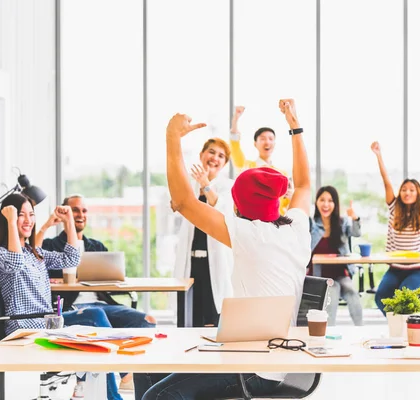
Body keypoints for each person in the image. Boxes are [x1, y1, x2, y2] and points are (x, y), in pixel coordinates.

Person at [134, 98, 312, 400]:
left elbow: (183, 200)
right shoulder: (296, 227)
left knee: (158, 396)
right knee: (146, 369)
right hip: (255, 354)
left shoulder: (247, 234)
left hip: (254, 371)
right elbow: (305, 185)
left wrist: (172, 137)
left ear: (239, 207)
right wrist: (295, 127)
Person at [0, 193, 124, 400]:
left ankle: (102, 390)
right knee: (94, 319)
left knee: (96, 316)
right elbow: (15, 263)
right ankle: (111, 394)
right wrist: (9, 219)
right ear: (8, 218)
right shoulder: (0, 254)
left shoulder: (33, 253)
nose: (28, 220)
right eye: (21, 215)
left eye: (31, 215)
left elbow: (72, 257)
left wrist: (69, 221)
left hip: (45, 323)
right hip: (23, 327)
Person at [40, 194, 156, 393]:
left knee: (147, 320)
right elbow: (37, 269)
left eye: (84, 210)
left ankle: (141, 384)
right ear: (64, 213)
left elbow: (112, 281)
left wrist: (113, 277)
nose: (80, 214)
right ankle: (116, 376)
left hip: (102, 304)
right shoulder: (50, 246)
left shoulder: (97, 247)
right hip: (72, 307)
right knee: (99, 321)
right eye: (75, 210)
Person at [371, 141, 420, 314]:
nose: (407, 192)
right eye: (404, 189)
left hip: (419, 271)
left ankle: (405, 333)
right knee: (381, 296)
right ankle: (398, 329)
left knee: (404, 298)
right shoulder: (394, 209)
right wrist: (378, 155)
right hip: (395, 269)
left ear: (418, 193)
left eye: (412, 190)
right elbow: (386, 182)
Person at [173, 138, 234, 327]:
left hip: (214, 263)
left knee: (212, 320)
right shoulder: (188, 184)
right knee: (188, 318)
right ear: (201, 155)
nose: (215, 158)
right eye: (211, 152)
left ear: (224, 164)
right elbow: (175, 204)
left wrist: (206, 184)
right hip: (190, 262)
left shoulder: (228, 187)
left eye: (221, 156)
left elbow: (221, 209)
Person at [308, 186, 363, 326]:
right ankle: (328, 334)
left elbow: (356, 233)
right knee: (332, 291)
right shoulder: (311, 224)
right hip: (320, 275)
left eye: (330, 200)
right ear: (316, 203)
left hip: (341, 273)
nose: (326, 204)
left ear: (335, 204)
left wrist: (354, 218)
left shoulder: (342, 222)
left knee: (352, 293)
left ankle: (360, 329)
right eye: (322, 200)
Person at [229, 105, 292, 215]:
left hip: (276, 225)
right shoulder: (246, 167)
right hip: (252, 222)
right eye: (262, 139)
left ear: (274, 144)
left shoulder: (282, 174)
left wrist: (291, 197)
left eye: (271, 139)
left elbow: (285, 205)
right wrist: (235, 120)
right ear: (255, 143)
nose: (267, 142)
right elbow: (235, 147)